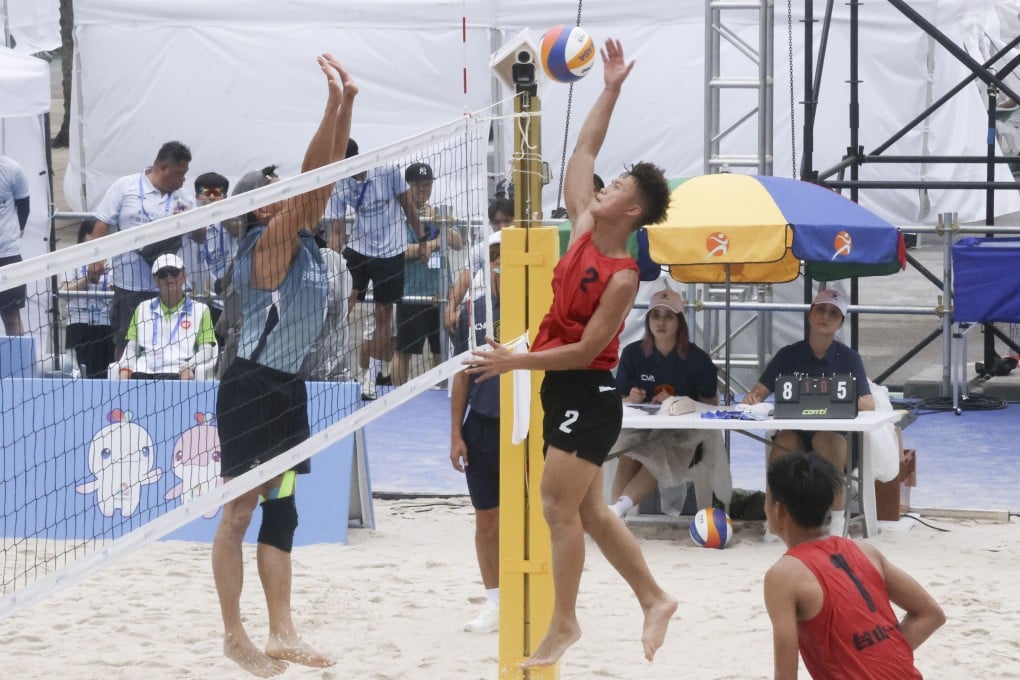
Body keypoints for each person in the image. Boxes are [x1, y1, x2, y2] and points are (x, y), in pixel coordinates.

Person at [464, 39, 677, 669]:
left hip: (591, 392)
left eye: (618, 186)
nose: (603, 184)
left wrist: (513, 361)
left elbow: (587, 350)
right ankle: (655, 597)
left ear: (632, 209)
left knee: (556, 505)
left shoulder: (622, 275)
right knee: (589, 512)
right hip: (563, 388)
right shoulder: (583, 223)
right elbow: (583, 149)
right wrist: (609, 87)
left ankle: (564, 621)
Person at [211, 54, 355, 677]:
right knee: (238, 510)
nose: (286, 193)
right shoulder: (263, 248)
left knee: (284, 509)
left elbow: (321, 184)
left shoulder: (305, 245)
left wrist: (347, 101)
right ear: (262, 207)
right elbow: (312, 187)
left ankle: (282, 631)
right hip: (249, 387)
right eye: (275, 190)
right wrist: (332, 108)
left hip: (288, 388)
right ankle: (234, 632)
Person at [763, 451, 945, 679]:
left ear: (779, 510)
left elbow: (786, 675)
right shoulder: (865, 551)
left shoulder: (783, 575)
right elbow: (931, 614)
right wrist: (879, 658)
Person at [742, 288, 875, 535]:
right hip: (798, 433)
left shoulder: (848, 358)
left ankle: (836, 522)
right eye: (821, 309)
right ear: (810, 314)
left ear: (840, 323)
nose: (825, 316)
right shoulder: (789, 355)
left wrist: (830, 398)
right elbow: (759, 392)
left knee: (824, 438)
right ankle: (772, 518)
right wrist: (753, 398)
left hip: (838, 438)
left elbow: (868, 403)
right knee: (785, 441)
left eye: (833, 313)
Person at [323, 138, 428, 399]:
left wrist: (423, 240)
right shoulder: (338, 183)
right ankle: (330, 365)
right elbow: (336, 231)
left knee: (383, 316)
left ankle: (370, 377)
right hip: (359, 248)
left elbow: (409, 208)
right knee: (342, 303)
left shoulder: (386, 170)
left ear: (354, 158)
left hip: (391, 252)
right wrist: (331, 261)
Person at [608, 286, 725, 518]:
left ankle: (617, 509)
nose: (660, 323)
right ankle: (615, 518)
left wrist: (680, 402)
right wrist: (629, 397)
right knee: (628, 454)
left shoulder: (697, 359)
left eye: (668, 316)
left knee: (658, 452)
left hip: (685, 433)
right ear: (648, 319)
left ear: (680, 322)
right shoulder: (633, 354)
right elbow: (618, 396)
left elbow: (711, 404)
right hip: (644, 428)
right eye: (655, 315)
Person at [89, 141, 193, 358]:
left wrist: (191, 220)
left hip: (168, 285)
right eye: (179, 173)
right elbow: (101, 223)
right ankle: (123, 384)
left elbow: (200, 237)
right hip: (129, 285)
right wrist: (95, 259)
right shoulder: (125, 186)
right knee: (126, 342)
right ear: (163, 168)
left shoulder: (183, 196)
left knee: (169, 343)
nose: (183, 179)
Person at [450, 231, 501, 634]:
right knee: (487, 520)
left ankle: (539, 598)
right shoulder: (478, 311)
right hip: (482, 428)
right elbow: (461, 377)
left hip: (526, 429)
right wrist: (455, 434)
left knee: (538, 518)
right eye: (495, 258)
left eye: (507, 256)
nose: (501, 265)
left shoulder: (542, 310)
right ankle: (495, 603)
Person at [393, 161, 463, 385]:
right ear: (408, 187)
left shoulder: (437, 213)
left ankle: (441, 390)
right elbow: (401, 251)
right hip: (411, 291)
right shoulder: (398, 215)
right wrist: (434, 244)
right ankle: (397, 394)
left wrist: (439, 223)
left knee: (440, 347)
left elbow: (459, 242)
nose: (423, 191)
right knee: (404, 348)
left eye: (427, 185)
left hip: (440, 291)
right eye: (417, 186)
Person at [113, 253, 216, 380]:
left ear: (184, 275)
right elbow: (131, 348)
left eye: (174, 272)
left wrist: (189, 366)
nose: (168, 277)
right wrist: (126, 368)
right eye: (162, 273)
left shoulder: (201, 310)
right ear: (155, 280)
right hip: (143, 372)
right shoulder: (142, 308)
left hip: (178, 372)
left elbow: (207, 350)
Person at [444, 197, 513, 334]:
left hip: (520, 300)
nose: (502, 227)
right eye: (497, 222)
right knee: (460, 318)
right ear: (491, 224)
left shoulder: (529, 243)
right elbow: (465, 280)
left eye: (507, 221)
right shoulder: (481, 249)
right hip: (492, 303)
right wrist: (450, 307)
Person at [299, 218, 352, 381]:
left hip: (326, 368)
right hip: (319, 366)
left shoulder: (328, 260)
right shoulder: (305, 264)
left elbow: (326, 303)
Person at [60, 220, 114, 377]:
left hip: (106, 321)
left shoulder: (113, 257)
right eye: (89, 241)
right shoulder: (72, 257)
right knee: (83, 372)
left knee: (105, 372)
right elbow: (65, 290)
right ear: (82, 238)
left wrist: (113, 287)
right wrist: (88, 278)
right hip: (80, 320)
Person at [181, 171, 234, 330]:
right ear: (197, 196)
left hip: (224, 301)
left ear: (225, 196)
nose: (211, 197)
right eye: (206, 192)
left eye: (217, 192)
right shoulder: (184, 221)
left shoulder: (232, 221)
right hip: (193, 301)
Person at [0, 153, 30, 336]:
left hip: (7, 257)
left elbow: (24, 209)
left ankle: (20, 365)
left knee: (12, 319)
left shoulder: (12, 169)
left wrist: (12, 236)